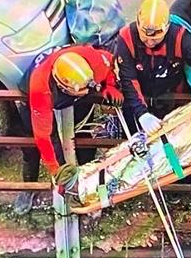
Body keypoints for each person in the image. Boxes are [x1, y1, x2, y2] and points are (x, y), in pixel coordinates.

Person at [114, 0, 191, 183]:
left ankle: (179, 180)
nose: (150, 42)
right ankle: (137, 181)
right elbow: (128, 79)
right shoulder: (126, 38)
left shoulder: (181, 36)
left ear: (166, 28)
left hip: (170, 96)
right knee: (138, 147)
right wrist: (141, 113)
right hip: (137, 100)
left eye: (156, 37)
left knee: (174, 144)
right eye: (145, 36)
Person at [15, 44, 123, 214]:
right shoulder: (40, 89)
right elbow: (44, 136)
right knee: (32, 149)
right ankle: (30, 186)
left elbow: (109, 64)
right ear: (63, 87)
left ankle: (88, 186)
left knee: (85, 137)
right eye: (84, 89)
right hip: (36, 92)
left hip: (77, 90)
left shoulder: (93, 60)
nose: (88, 90)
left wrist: (109, 85)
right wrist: (55, 169)